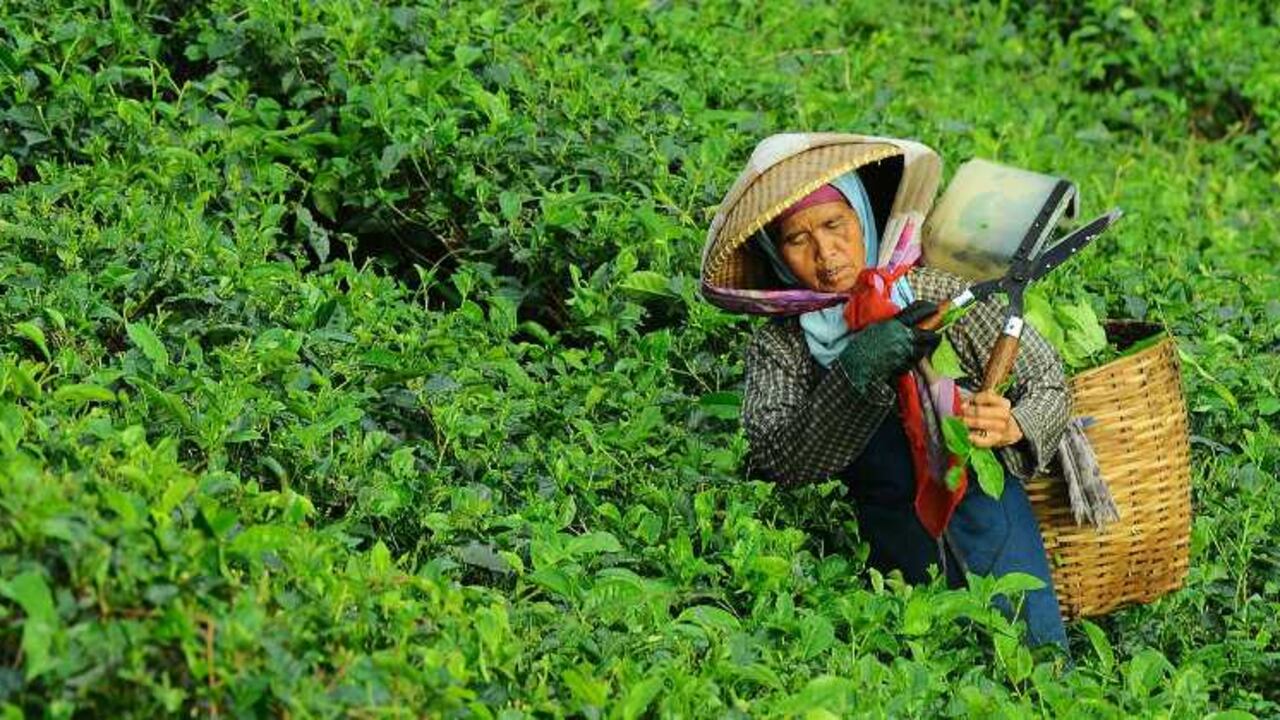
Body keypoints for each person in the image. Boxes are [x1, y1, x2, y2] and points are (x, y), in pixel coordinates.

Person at [700, 134, 1071, 650]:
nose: (826, 254)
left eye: (835, 225)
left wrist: (1017, 421)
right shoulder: (781, 346)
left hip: (996, 532)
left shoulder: (932, 292)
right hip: (893, 559)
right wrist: (855, 371)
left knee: (1038, 668)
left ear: (862, 217)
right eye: (797, 239)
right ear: (775, 252)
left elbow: (1047, 379)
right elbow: (777, 458)